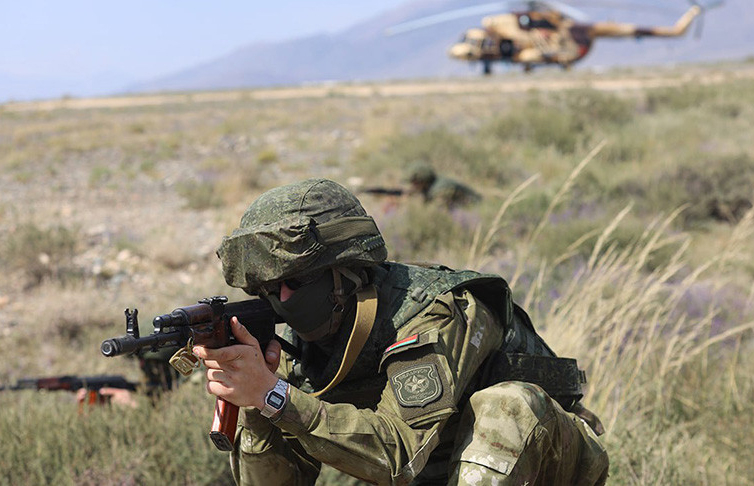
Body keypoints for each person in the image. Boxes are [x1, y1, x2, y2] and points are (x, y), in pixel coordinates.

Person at [193, 178, 609, 485]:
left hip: (549, 463)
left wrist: (275, 395)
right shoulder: (297, 344)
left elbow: (398, 457)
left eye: (295, 282)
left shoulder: (433, 312)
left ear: (346, 272)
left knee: (507, 405)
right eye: (266, 289)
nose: (281, 299)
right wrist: (256, 405)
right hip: (434, 471)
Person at [405, 161, 481, 208]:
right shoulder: (430, 185)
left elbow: (438, 209)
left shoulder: (442, 188)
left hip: (476, 209)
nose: (413, 186)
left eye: (415, 182)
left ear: (423, 180)